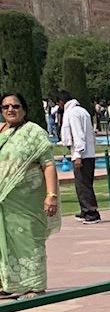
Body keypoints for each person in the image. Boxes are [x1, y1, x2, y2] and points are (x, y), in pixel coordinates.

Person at [0, 91, 62, 297]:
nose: (10, 110)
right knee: (3, 241)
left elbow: (48, 164)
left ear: (24, 110)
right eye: (6, 107)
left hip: (28, 199)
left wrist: (51, 195)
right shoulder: (0, 132)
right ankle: (7, 284)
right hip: (4, 200)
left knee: (29, 239)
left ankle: (34, 285)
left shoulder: (34, 133)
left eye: (15, 106)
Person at [59, 91, 101, 222]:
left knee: (83, 185)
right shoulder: (83, 111)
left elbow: (78, 134)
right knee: (83, 184)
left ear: (61, 102)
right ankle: (85, 210)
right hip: (89, 153)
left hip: (82, 155)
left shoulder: (72, 113)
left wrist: (78, 154)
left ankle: (92, 213)